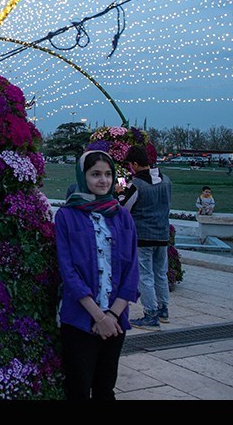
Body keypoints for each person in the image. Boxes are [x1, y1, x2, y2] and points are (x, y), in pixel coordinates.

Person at [54, 150, 139, 400]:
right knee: (78, 388)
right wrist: (98, 316)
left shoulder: (122, 216)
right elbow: (68, 271)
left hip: (115, 321)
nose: (103, 180)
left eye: (108, 174)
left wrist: (112, 315)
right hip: (80, 318)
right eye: (95, 174)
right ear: (83, 177)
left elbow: (132, 268)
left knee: (105, 388)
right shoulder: (67, 216)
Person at [120, 145, 172, 330]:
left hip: (143, 235)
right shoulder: (166, 180)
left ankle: (150, 314)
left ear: (134, 163)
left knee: (145, 275)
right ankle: (163, 309)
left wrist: (120, 191)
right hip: (162, 234)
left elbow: (124, 208)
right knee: (160, 273)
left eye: (130, 165)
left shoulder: (137, 184)